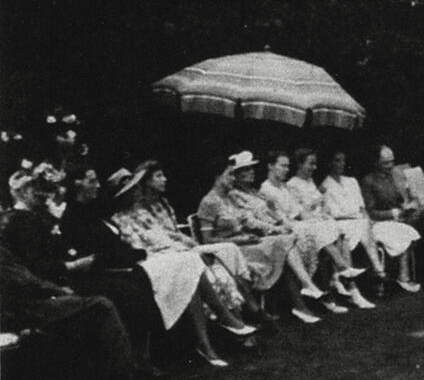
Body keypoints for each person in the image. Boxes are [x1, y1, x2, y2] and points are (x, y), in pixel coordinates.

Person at [71, 163, 248, 368]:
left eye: (136, 189)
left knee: (190, 267)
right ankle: (223, 326)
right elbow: (127, 249)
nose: (137, 193)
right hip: (140, 264)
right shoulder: (117, 218)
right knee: (188, 263)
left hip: (150, 258)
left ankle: (213, 338)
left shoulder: (134, 215)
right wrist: (146, 252)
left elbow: (157, 238)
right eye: (131, 191)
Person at [195, 152, 326, 324]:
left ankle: (306, 292)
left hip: (248, 242)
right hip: (230, 250)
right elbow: (207, 240)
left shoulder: (231, 197)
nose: (233, 178)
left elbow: (247, 220)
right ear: (217, 177)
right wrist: (241, 240)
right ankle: (303, 296)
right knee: (283, 244)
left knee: (285, 242)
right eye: (230, 174)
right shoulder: (209, 202)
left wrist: (269, 229)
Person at [0, 243, 138, 380]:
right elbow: (25, 282)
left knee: (89, 302)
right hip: (23, 308)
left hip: (21, 305)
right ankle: (128, 375)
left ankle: (116, 370)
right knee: (101, 305)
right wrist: (60, 291)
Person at [261, 149, 372, 309]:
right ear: (270, 166)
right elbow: (279, 219)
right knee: (320, 231)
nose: (286, 169)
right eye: (282, 166)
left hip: (301, 226)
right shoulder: (266, 190)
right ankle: (342, 270)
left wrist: (318, 218)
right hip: (288, 232)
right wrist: (309, 221)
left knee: (332, 227)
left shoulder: (283, 187)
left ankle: (345, 283)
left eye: (287, 166)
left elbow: (299, 211)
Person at [320, 149, 420, 293]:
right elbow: (333, 213)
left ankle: (401, 276)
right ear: (329, 163)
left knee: (406, 230)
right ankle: (378, 274)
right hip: (345, 224)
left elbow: (362, 207)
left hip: (365, 222)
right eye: (337, 160)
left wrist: (367, 219)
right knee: (356, 234)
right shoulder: (324, 186)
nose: (341, 164)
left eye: (343, 160)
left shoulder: (351, 181)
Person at [360, 144, 424, 291]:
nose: (390, 166)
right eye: (386, 163)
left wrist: (414, 201)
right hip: (394, 221)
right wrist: (394, 213)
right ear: (376, 162)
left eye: (392, 161)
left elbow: (413, 194)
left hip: (411, 215)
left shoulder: (398, 173)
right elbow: (371, 212)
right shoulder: (369, 181)